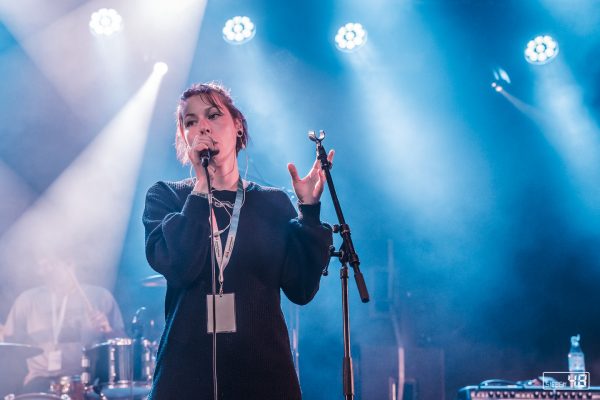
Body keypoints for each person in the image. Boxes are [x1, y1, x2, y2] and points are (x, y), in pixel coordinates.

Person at [142, 82, 334, 399]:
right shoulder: (167, 197)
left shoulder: (272, 203)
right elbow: (181, 267)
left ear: (238, 126)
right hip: (187, 375)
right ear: (184, 137)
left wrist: (309, 213)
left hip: (264, 375)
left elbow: (301, 290)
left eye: (213, 115)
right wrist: (202, 187)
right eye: (190, 122)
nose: (202, 126)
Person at [2, 258, 125, 394]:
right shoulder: (28, 299)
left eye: (50, 263)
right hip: (38, 380)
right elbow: (6, 338)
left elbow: (123, 346)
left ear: (69, 263)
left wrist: (107, 330)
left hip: (81, 381)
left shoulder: (99, 296)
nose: (42, 271)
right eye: (41, 264)